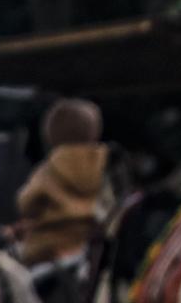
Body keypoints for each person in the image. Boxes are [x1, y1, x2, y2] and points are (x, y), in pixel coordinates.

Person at [14, 98, 111, 268]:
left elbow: (26, 204)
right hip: (91, 250)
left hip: (47, 248)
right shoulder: (103, 165)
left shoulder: (49, 168)